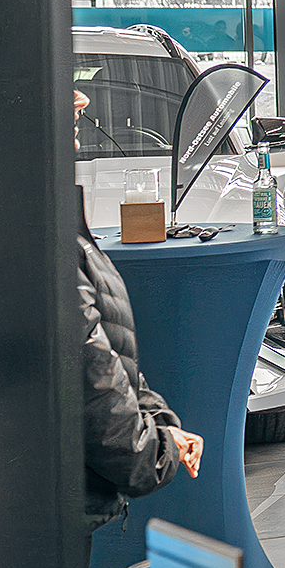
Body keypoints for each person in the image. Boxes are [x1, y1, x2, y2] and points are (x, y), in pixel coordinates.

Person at [77, 90, 201, 537]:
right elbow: (88, 369)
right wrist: (155, 448)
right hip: (46, 505)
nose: (81, 100)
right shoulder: (30, 229)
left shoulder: (44, 217)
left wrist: (158, 424)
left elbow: (107, 352)